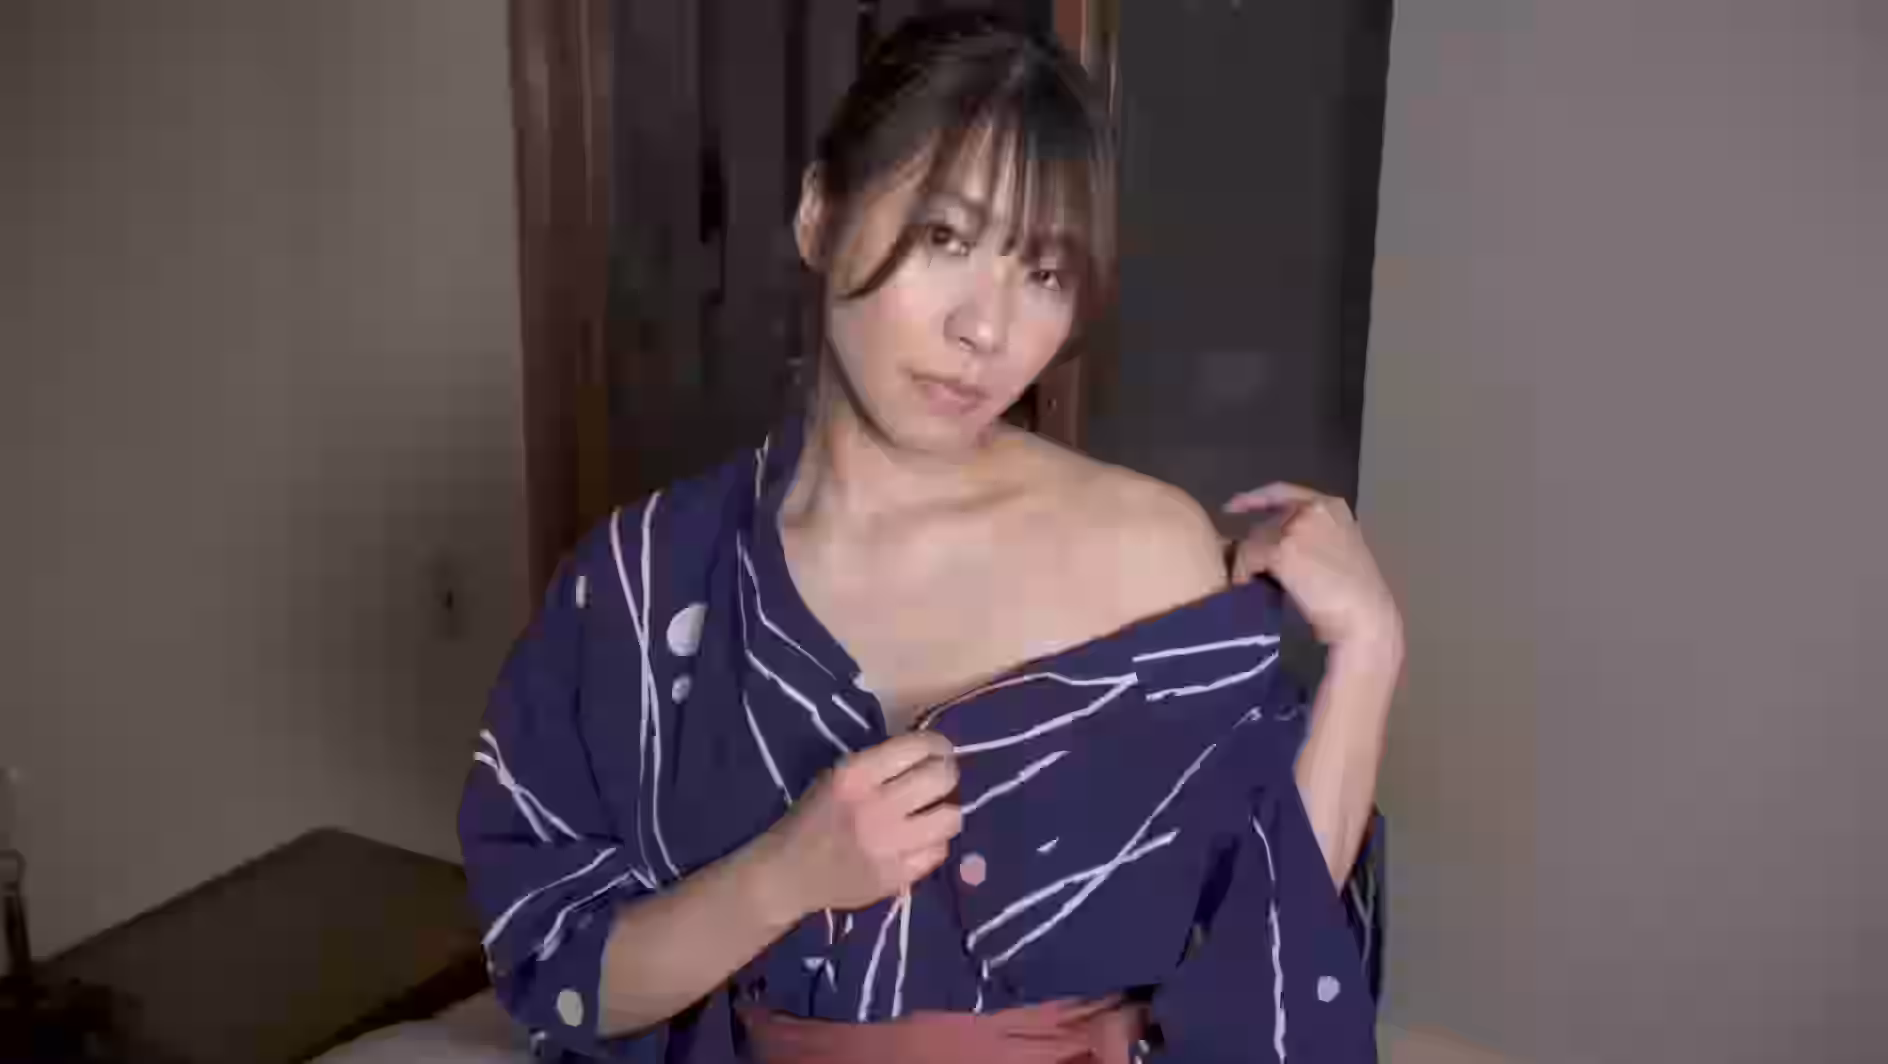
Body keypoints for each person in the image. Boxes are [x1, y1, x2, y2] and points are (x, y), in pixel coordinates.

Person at [460, 11, 1401, 1063]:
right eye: (946, 238)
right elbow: (560, 981)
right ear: (819, 217)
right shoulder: (642, 586)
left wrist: (1368, 651)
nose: (985, 329)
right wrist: (781, 876)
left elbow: (1264, 947)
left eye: (1043, 273)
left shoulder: (1146, 551)